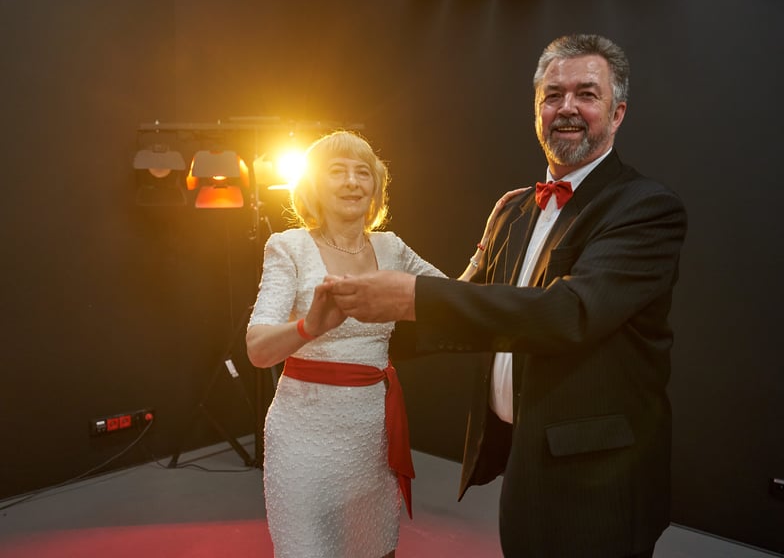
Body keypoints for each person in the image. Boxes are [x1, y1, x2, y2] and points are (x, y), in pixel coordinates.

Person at [323, 34, 688, 558]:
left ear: (617, 113)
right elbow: (471, 312)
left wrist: (412, 294)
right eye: (552, 95)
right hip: (525, 460)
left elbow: (568, 314)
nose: (567, 107)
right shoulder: (513, 210)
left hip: (603, 476)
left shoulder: (646, 207)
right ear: (537, 111)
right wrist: (347, 333)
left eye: (586, 94)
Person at [245, 130, 523, 558]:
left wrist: (486, 241)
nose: (352, 182)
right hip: (303, 442)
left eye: (363, 173)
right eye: (337, 172)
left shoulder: (390, 247)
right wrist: (309, 327)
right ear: (313, 185)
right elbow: (258, 349)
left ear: (375, 188)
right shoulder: (289, 247)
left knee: (375, 551)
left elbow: (453, 299)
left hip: (372, 442)